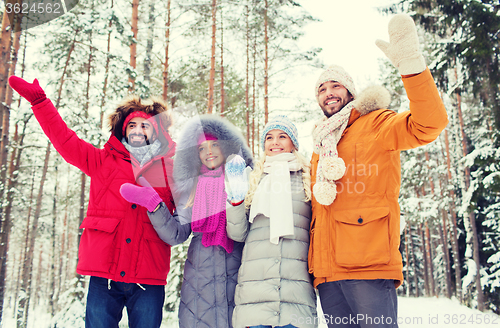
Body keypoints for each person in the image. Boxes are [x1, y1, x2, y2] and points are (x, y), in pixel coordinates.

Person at [308, 14, 449, 328]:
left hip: (368, 266)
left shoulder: (377, 123)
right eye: (321, 88)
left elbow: (430, 123)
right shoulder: (321, 143)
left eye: (335, 85)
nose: (328, 92)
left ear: (350, 91)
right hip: (327, 273)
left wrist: (411, 66)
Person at [8, 76, 177, 328]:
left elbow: (192, 206)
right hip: (105, 275)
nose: (138, 130)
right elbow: (65, 141)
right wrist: (40, 102)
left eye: (145, 126)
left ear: (156, 132)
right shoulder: (102, 161)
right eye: (132, 126)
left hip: (148, 277)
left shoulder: (171, 170)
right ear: (123, 130)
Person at [120, 114, 254, 328]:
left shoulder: (244, 179)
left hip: (237, 271)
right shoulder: (191, 189)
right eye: (201, 148)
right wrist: (155, 205)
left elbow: (247, 231)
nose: (208, 152)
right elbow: (176, 234)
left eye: (214, 145)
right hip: (199, 284)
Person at [227, 115, 317, 328]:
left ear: (293, 142)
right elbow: (238, 233)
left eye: (282, 136)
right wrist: (236, 198)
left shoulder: (308, 178)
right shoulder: (253, 178)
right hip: (255, 294)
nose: (275, 142)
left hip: (296, 294)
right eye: (269, 137)